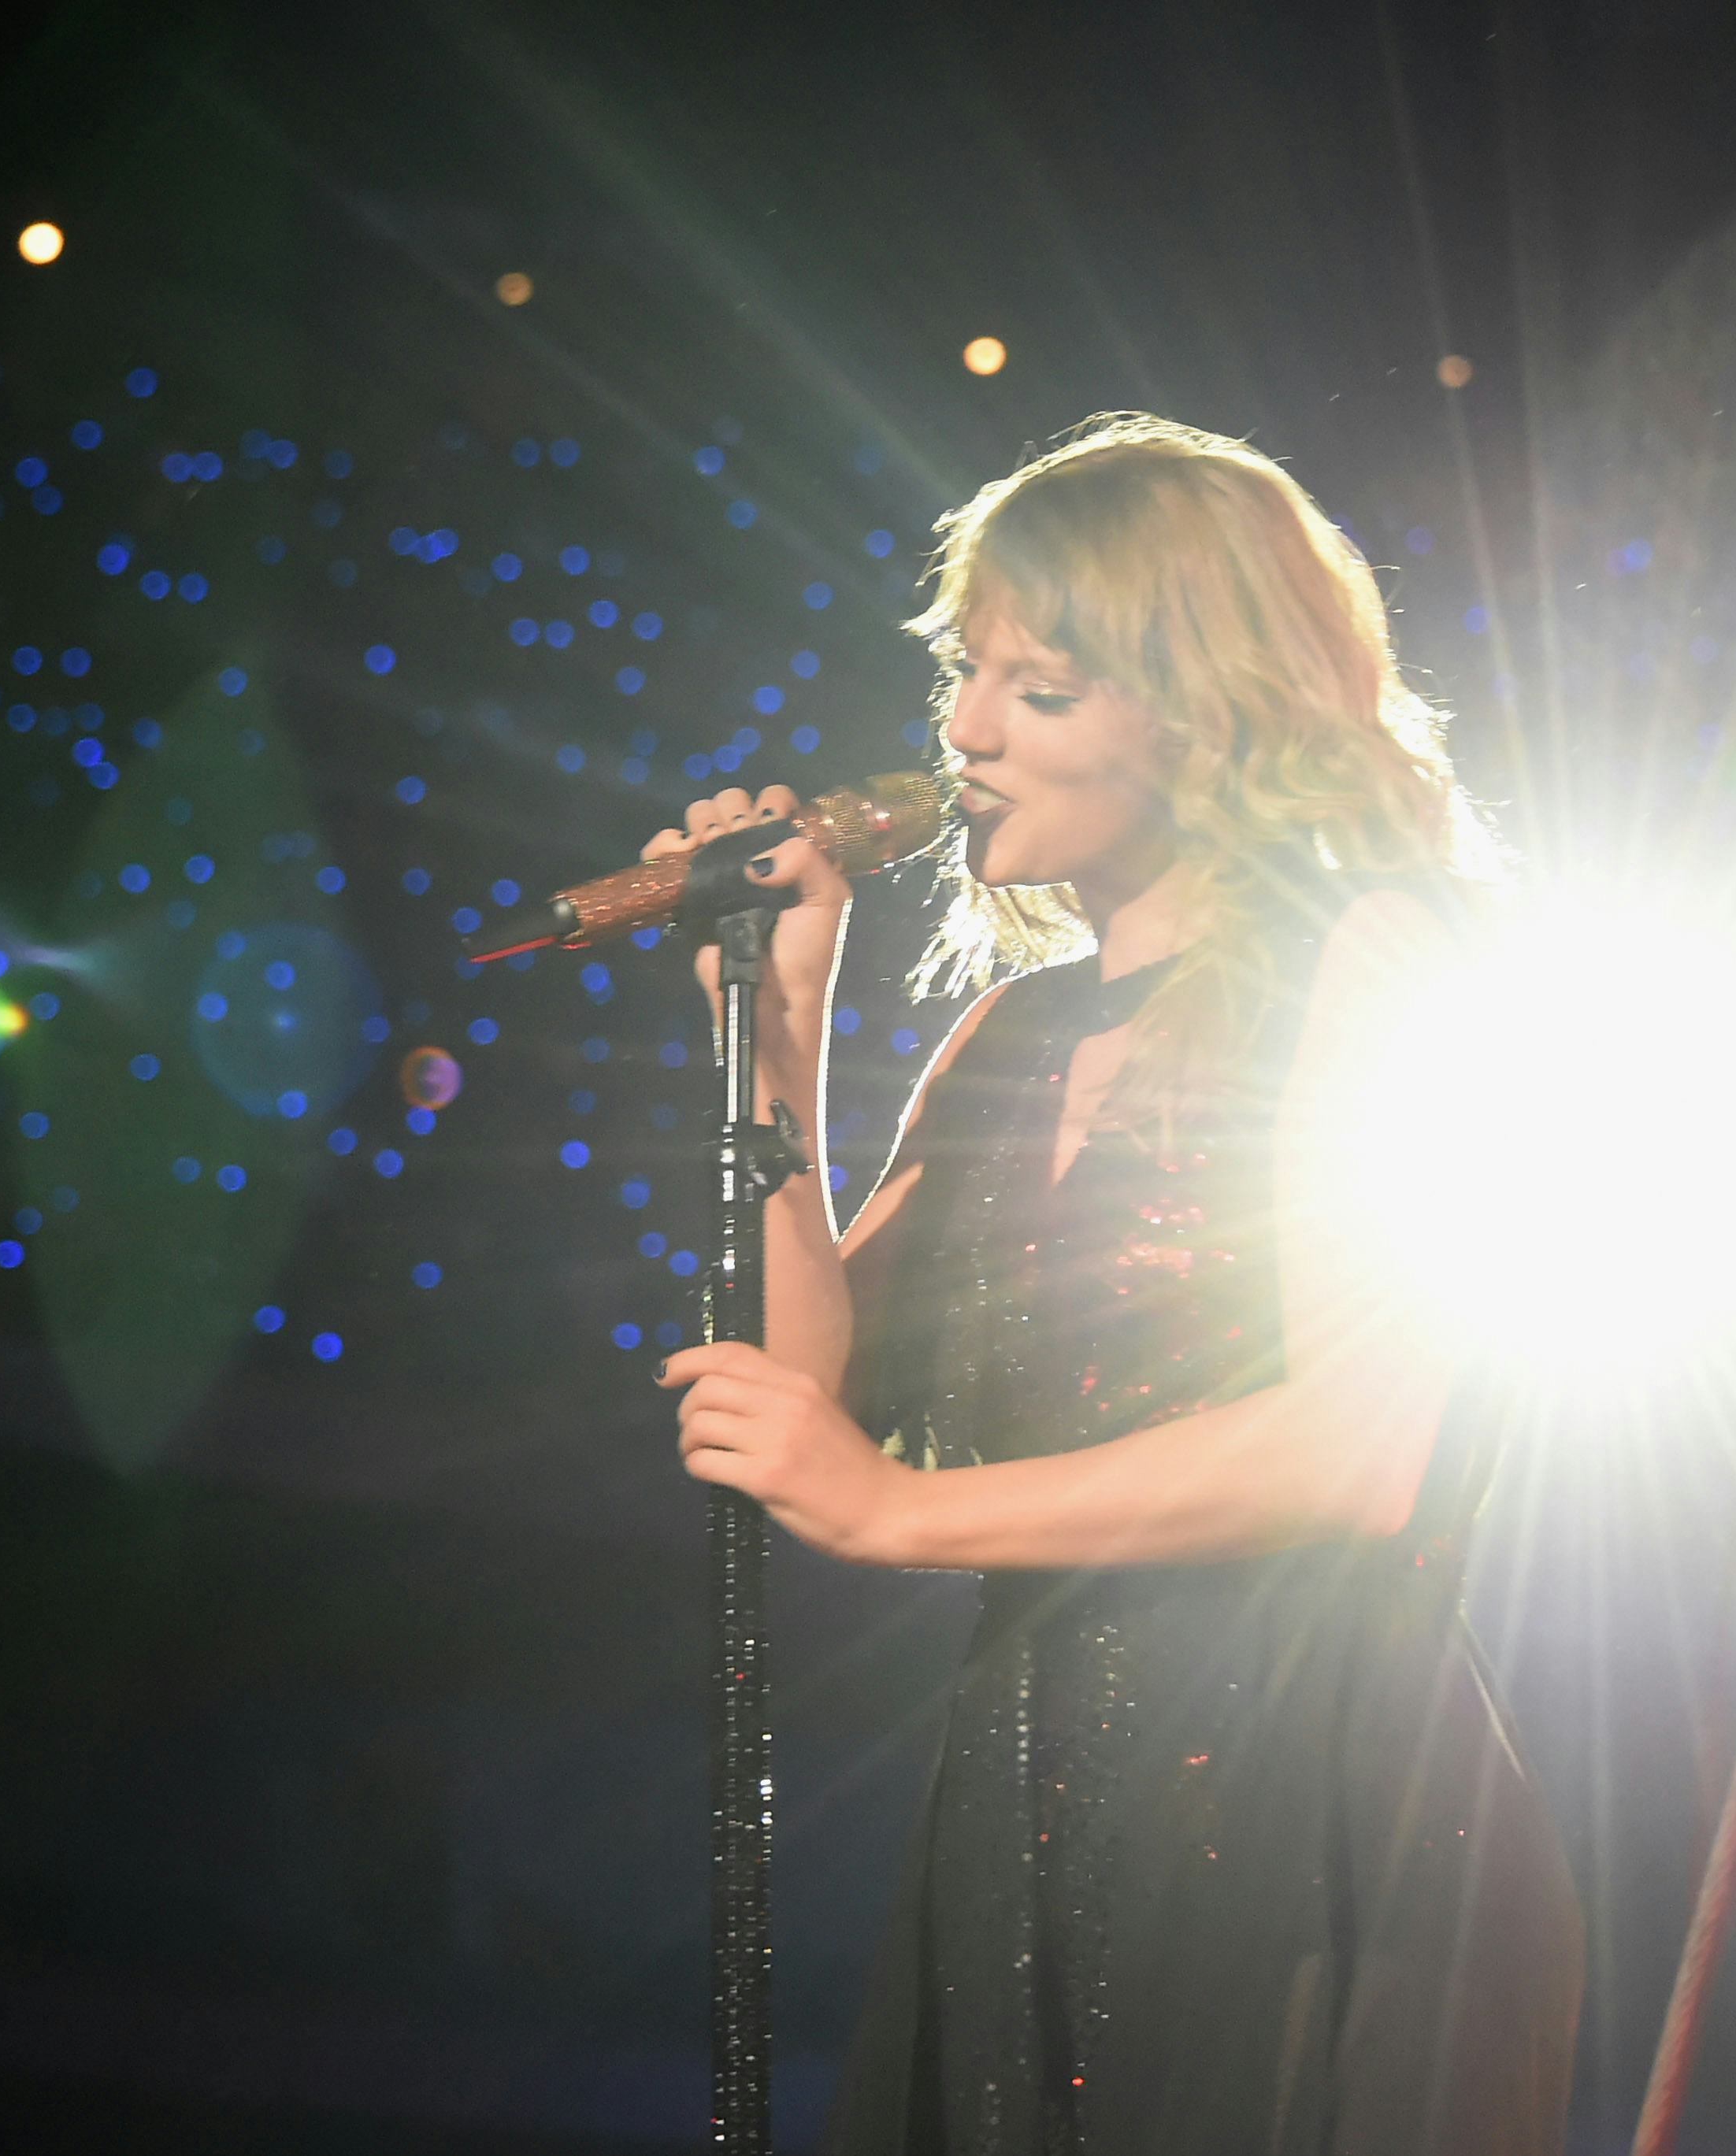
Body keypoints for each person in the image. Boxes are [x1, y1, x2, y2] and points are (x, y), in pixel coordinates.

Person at [644, 413, 1583, 2156]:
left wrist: (890, 1513)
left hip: (1306, 1809)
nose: (967, 731)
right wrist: (771, 1038)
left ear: (1206, 710)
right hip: (1024, 1803)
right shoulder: (1012, 1037)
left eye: (1042, 688)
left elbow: (1359, 1450)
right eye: (966, 672)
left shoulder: (1377, 959)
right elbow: (810, 1397)